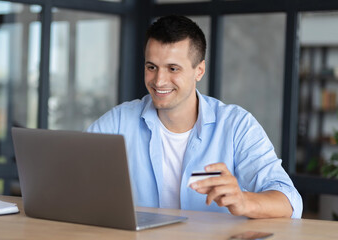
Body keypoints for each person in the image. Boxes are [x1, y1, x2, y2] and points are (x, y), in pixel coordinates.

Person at [87, 15, 302, 218]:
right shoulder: (119, 121)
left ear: (199, 70)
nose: (159, 81)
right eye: (151, 67)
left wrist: (245, 201)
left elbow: (290, 201)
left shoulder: (236, 125)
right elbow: (73, 176)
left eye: (173, 68)